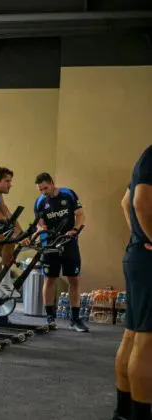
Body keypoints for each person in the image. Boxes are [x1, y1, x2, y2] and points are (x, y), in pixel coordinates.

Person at [113, 145, 152, 420]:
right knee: (147, 341)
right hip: (148, 259)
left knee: (133, 334)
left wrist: (139, 238)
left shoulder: (146, 156)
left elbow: (126, 202)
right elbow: (139, 203)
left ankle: (124, 413)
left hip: (139, 254)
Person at [34, 172, 89, 332]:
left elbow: (79, 215)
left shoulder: (68, 194)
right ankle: (50, 318)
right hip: (50, 245)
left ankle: (75, 319)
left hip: (69, 243)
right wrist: (40, 229)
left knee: (74, 280)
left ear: (52, 183)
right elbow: (40, 223)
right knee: (50, 279)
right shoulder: (40, 202)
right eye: (40, 190)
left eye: (45, 188)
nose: (43, 192)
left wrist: (75, 229)